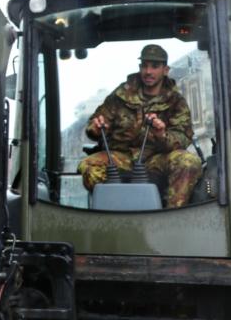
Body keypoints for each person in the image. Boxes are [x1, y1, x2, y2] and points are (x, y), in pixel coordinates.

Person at [78, 44, 202, 208]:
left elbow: (183, 138)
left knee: (188, 162)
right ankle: (118, 212)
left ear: (165, 70)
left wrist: (162, 135)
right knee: (88, 165)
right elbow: (94, 125)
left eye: (154, 66)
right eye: (144, 66)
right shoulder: (120, 95)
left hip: (156, 159)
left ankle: (171, 216)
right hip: (121, 157)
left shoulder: (175, 101)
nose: (148, 71)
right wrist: (96, 128)